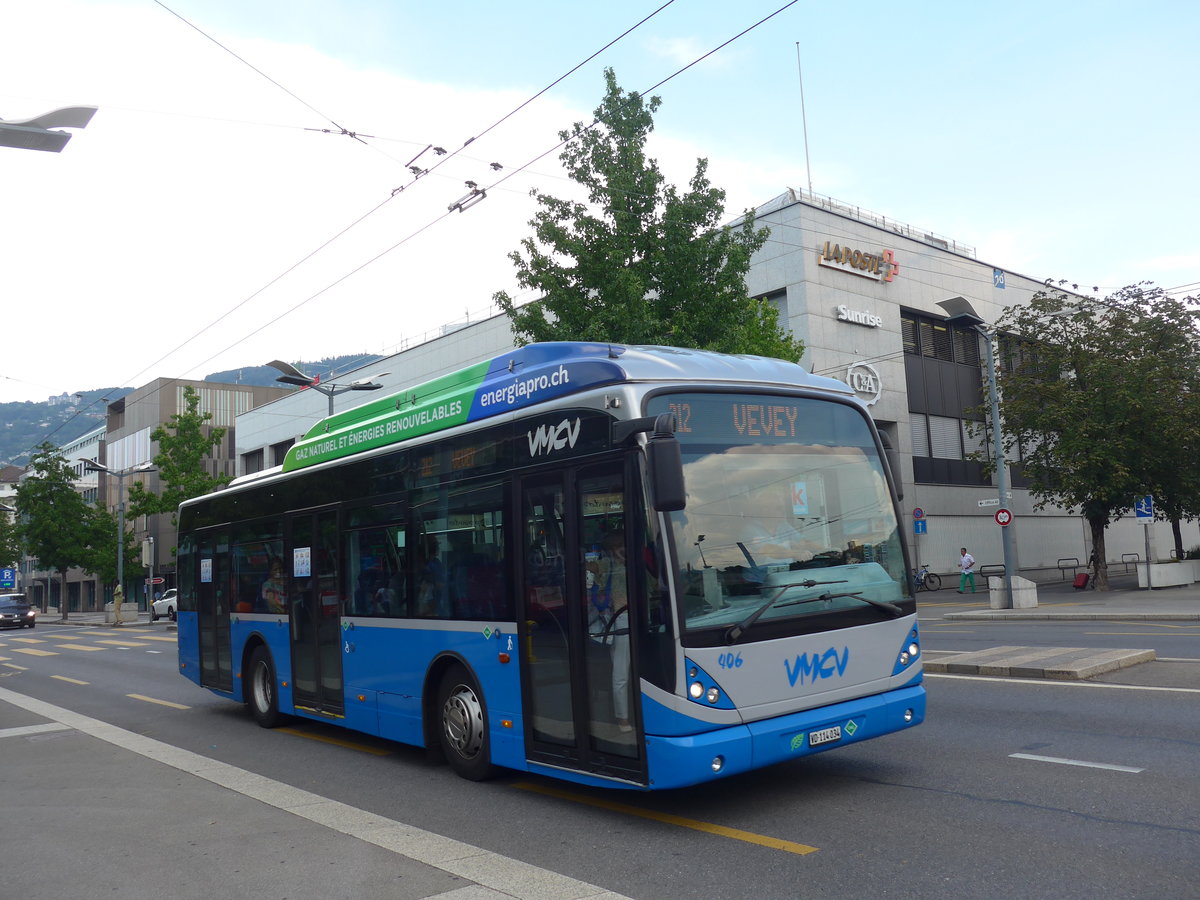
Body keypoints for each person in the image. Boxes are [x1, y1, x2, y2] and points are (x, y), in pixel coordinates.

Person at [587, 530, 632, 734]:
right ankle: (622, 717)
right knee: (621, 672)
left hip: (635, 619)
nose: (623, 551)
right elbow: (590, 567)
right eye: (619, 548)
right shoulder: (609, 566)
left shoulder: (631, 564)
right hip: (620, 619)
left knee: (625, 671)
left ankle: (626, 714)